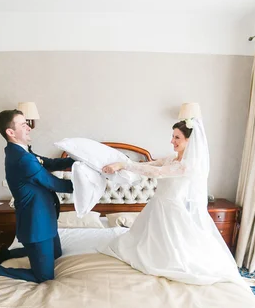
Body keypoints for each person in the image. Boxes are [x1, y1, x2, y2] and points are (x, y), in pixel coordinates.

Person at [100, 118, 244, 286]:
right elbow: (150, 165)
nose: (172, 141)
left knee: (174, 250)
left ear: (189, 141)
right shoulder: (171, 159)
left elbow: (157, 173)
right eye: (172, 136)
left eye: (177, 138)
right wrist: (123, 164)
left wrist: (124, 165)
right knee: (142, 242)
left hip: (171, 209)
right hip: (156, 206)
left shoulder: (186, 166)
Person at [0, 109, 74, 287]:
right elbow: (56, 184)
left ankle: (6, 254)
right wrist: (92, 185)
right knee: (44, 277)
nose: (29, 127)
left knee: (56, 254)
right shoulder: (22, 159)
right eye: (23, 124)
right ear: (10, 132)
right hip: (36, 224)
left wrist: (76, 160)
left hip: (46, 218)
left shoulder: (22, 152)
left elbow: (50, 163)